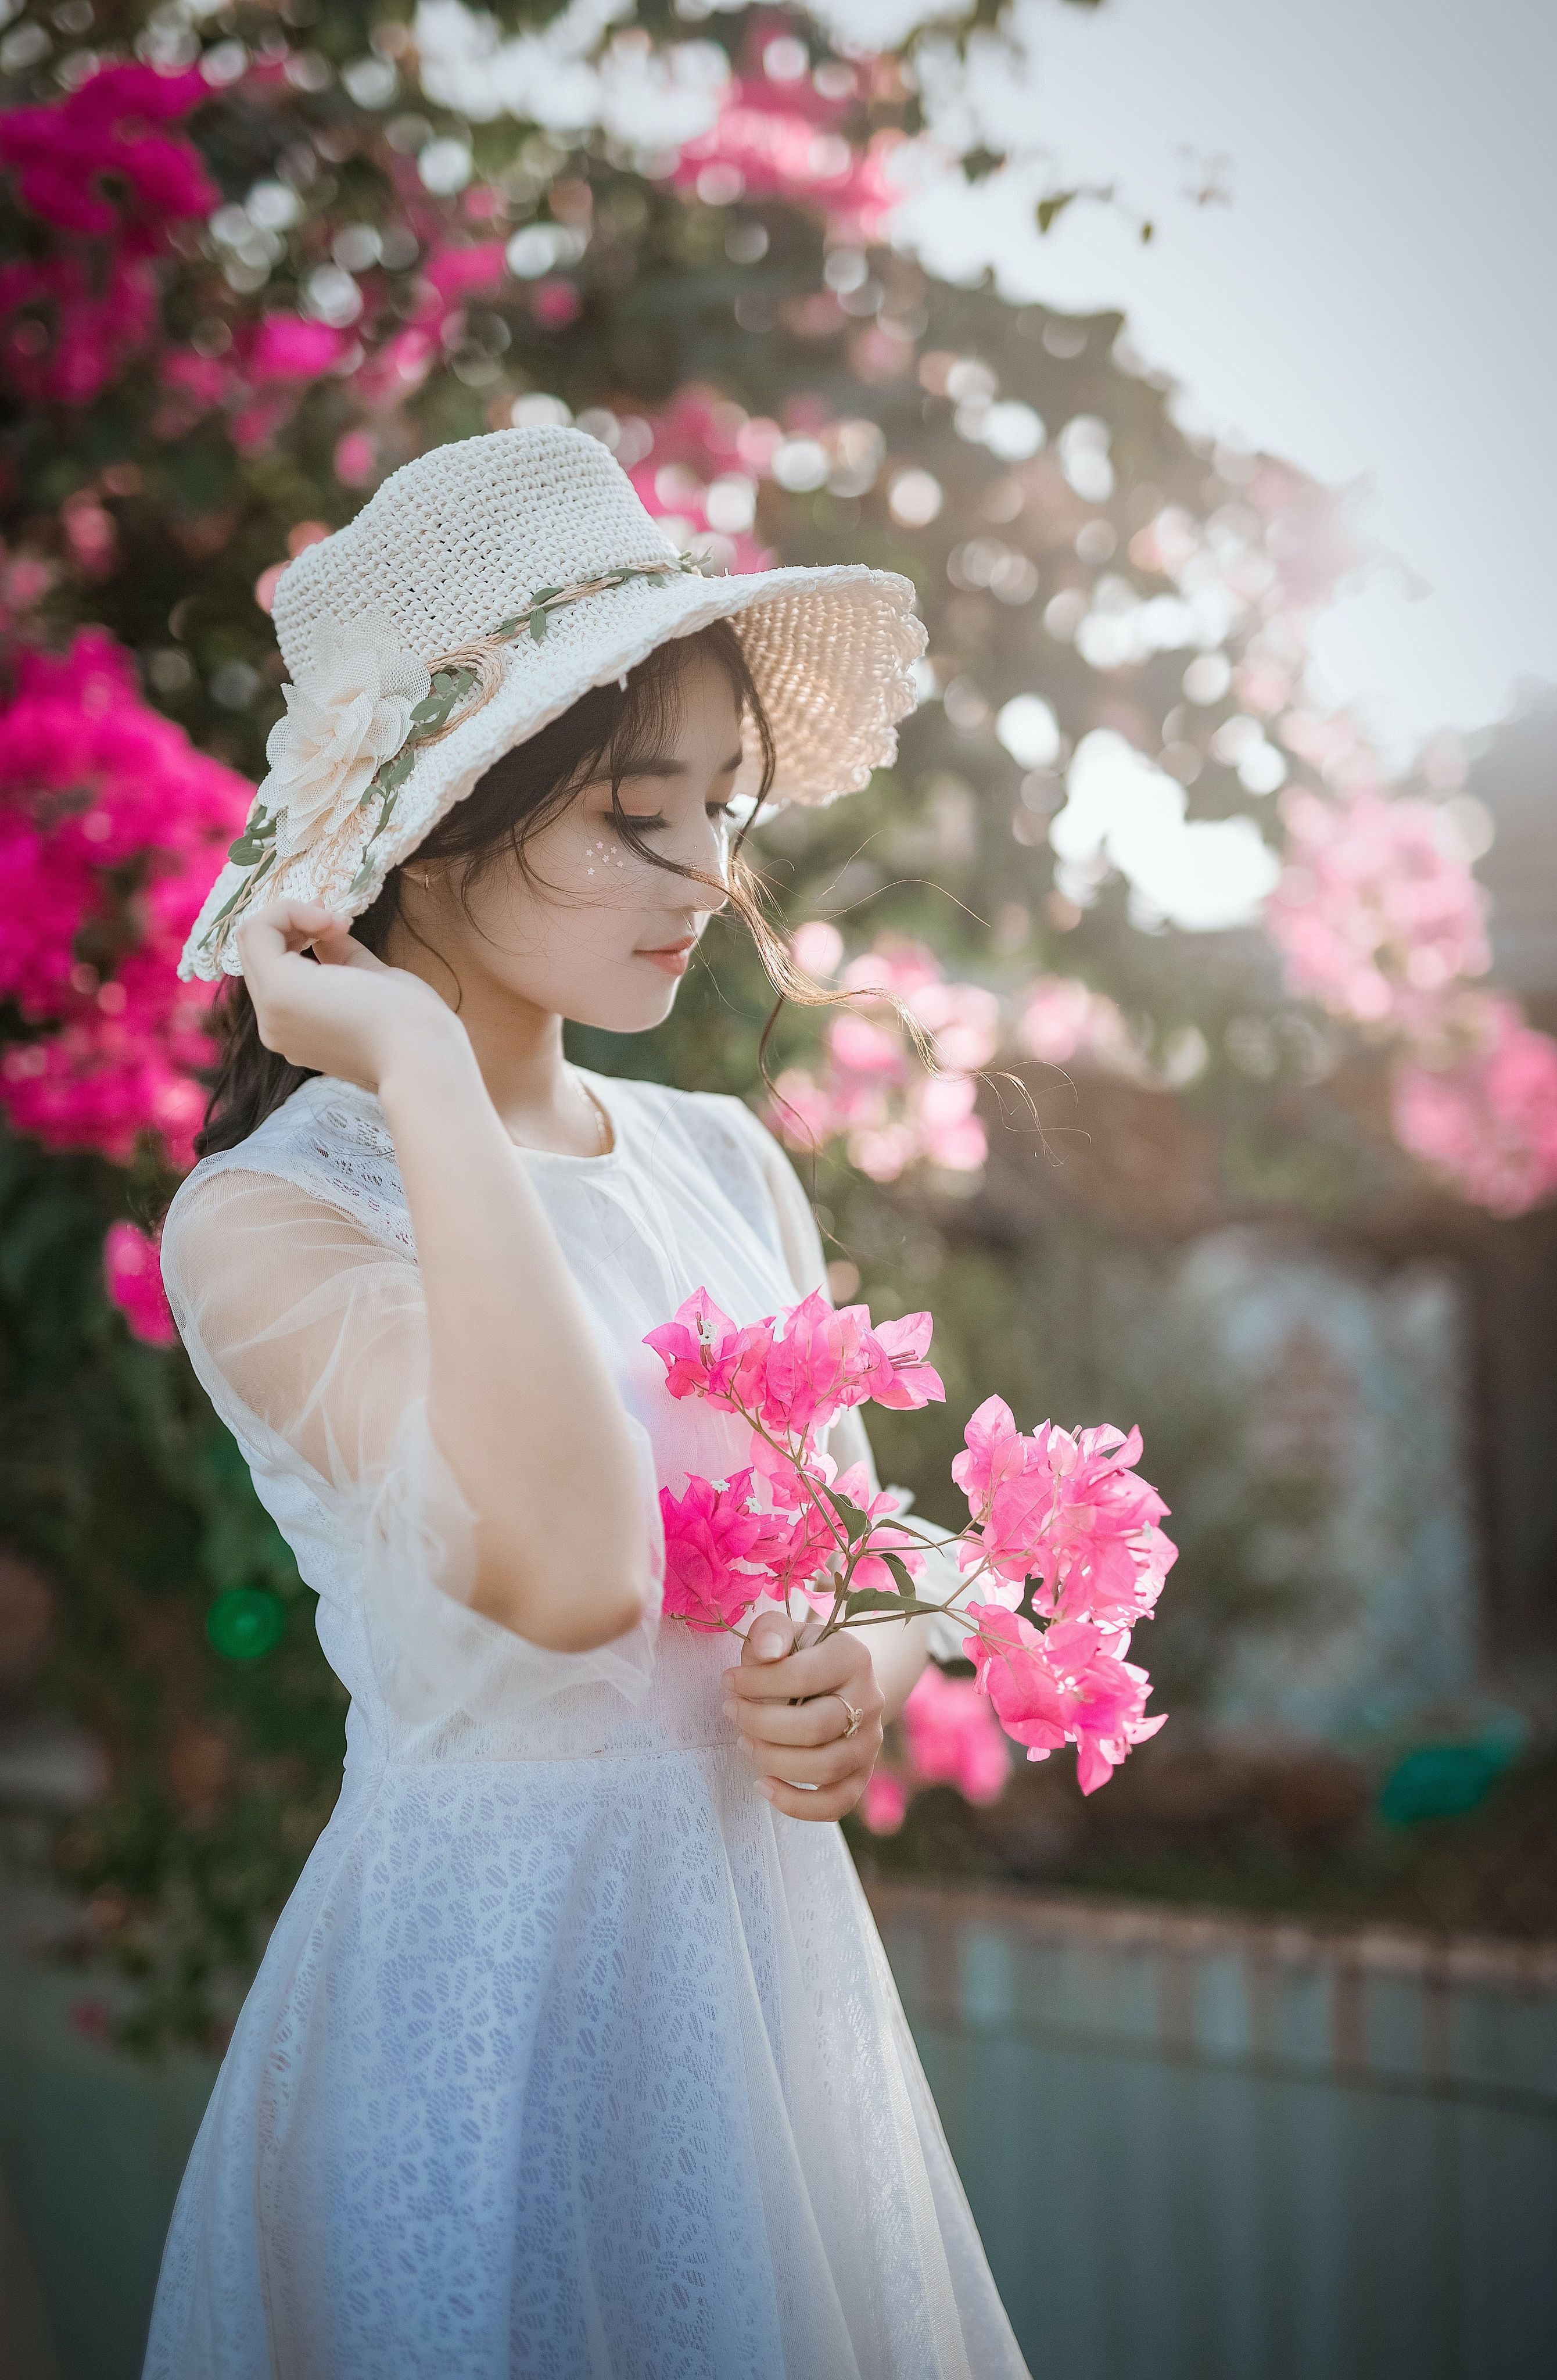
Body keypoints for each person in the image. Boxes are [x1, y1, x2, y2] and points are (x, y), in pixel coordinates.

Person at [142, 427, 1030, 2379]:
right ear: (435, 824)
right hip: (482, 2003)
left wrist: (865, 1681)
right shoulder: (269, 1220)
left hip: (771, 2004)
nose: (710, 874)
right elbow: (560, 1569)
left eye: (723, 809)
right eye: (642, 816)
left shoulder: (725, 1160)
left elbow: (880, 1555)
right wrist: (421, 1078)